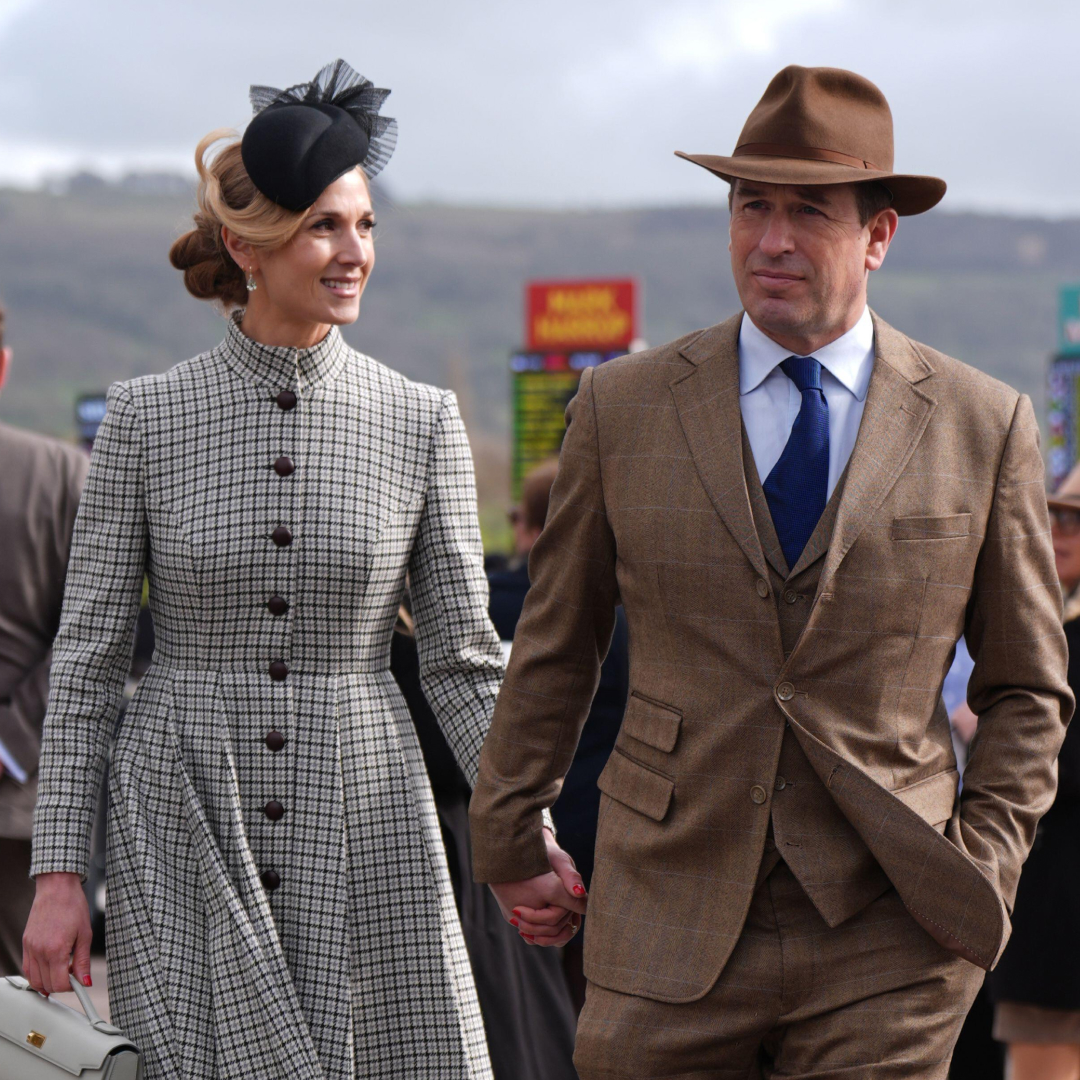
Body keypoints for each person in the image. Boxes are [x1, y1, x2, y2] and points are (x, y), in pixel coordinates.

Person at [469, 65, 1073, 1079]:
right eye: (752, 206)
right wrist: (511, 833)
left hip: (893, 928)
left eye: (809, 212)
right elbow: (556, 644)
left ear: (879, 235)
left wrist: (988, 863)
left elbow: (1028, 688)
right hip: (664, 909)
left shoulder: (984, 425)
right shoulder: (621, 409)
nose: (772, 239)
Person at [23, 59, 582, 1080]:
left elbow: (463, 660)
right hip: (178, 817)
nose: (354, 251)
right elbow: (90, 661)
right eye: (325, 226)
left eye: (365, 224)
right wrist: (60, 873)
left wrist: (520, 832)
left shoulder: (422, 421)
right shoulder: (145, 419)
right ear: (248, 246)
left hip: (368, 811)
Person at [489, 459, 629, 1012]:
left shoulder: (481, 607)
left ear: (527, 525)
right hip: (605, 850)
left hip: (501, 848)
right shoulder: (634, 619)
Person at [0, 300, 89, 975]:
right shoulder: (65, 476)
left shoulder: (62, 476)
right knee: (21, 1013)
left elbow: (99, 632)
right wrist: (11, 745)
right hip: (18, 799)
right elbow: (97, 635)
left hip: (16, 812)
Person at [989, 463, 1080, 1080]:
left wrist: (998, 740)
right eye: (1054, 514)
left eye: (1075, 519)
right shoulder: (1046, 622)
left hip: (1059, 917)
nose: (1058, 530)